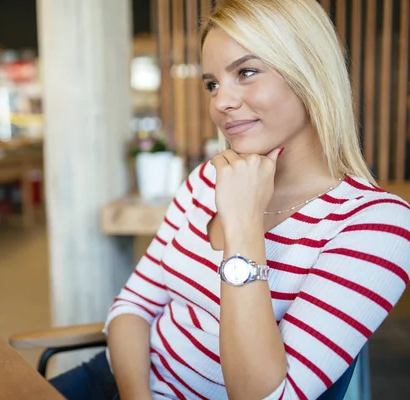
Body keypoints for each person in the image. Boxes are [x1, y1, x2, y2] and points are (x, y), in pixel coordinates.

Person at [50, 0, 410, 399]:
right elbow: (133, 305)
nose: (221, 102)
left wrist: (242, 226)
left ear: (310, 72)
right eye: (212, 83)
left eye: (247, 72)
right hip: (120, 377)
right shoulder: (209, 176)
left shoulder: (375, 225)